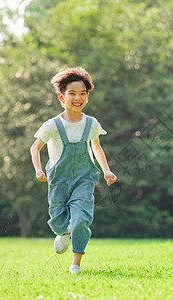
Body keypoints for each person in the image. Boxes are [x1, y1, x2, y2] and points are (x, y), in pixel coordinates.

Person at [30, 67, 117, 274]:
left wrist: (106, 171)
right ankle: (64, 231)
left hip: (84, 180)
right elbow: (35, 147)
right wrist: (38, 170)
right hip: (58, 181)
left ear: (87, 96)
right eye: (72, 93)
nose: (78, 98)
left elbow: (96, 147)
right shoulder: (52, 125)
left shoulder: (91, 123)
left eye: (83, 93)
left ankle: (75, 264)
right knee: (58, 220)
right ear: (62, 97)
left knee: (81, 220)